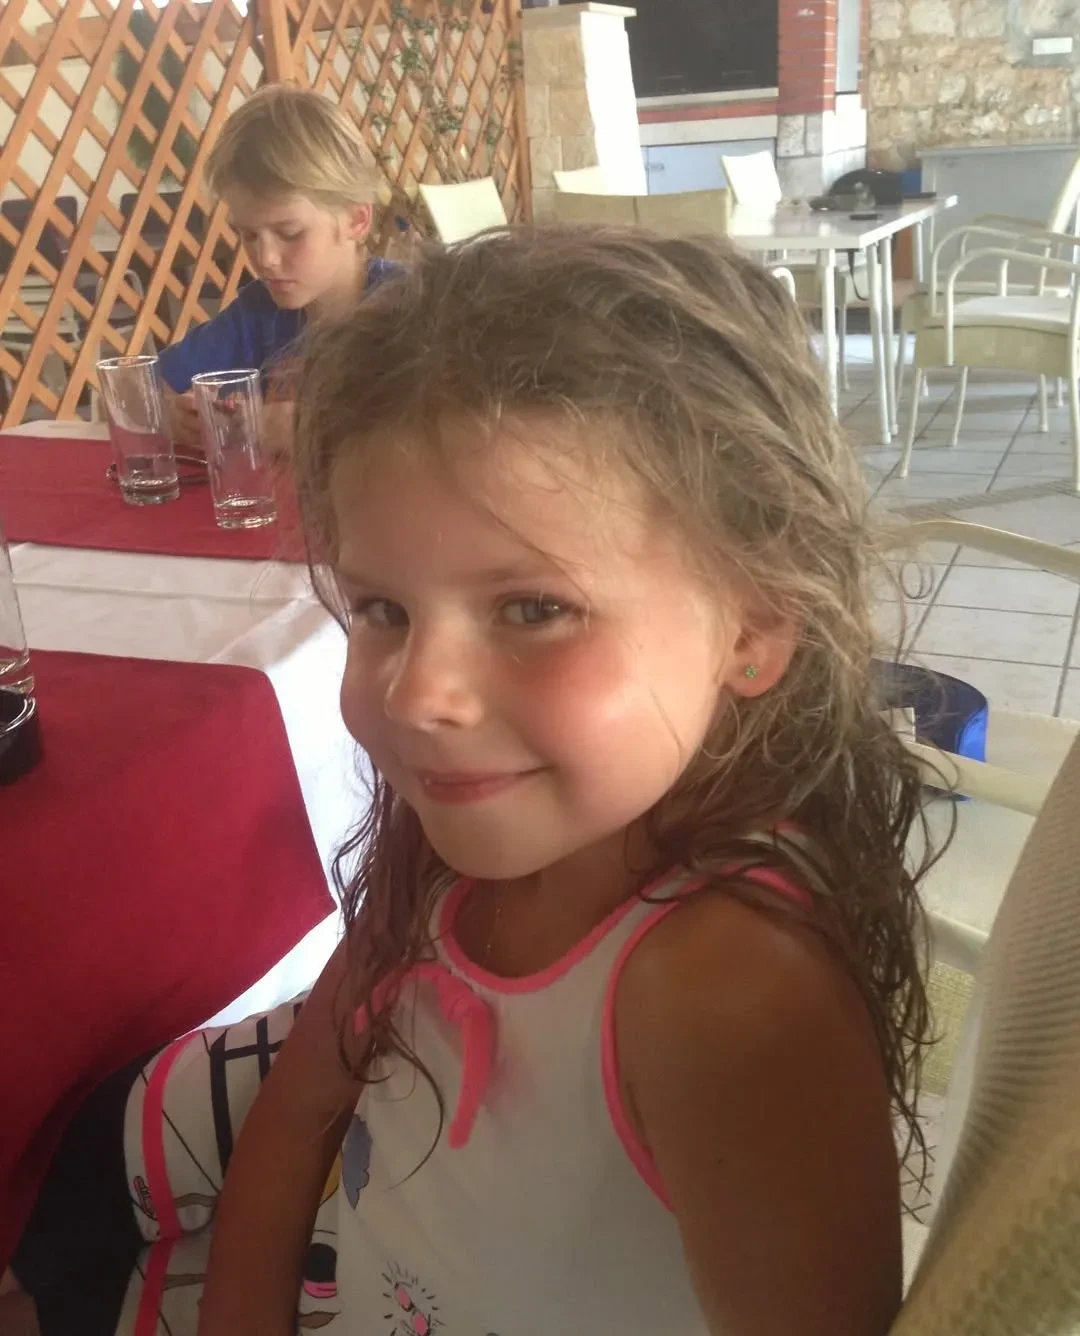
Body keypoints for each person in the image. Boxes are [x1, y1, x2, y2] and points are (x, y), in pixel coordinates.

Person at [9, 227, 938, 1336]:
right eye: (382, 608)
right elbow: (297, 1119)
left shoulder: (726, 997)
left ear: (753, 624)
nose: (416, 695)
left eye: (534, 608)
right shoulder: (454, 845)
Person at [156, 85, 398, 455]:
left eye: (289, 234)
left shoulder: (411, 307)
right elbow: (148, 387)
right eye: (248, 235)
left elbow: (451, 427)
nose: (265, 258)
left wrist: (306, 425)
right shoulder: (259, 311)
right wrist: (173, 414)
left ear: (356, 220)